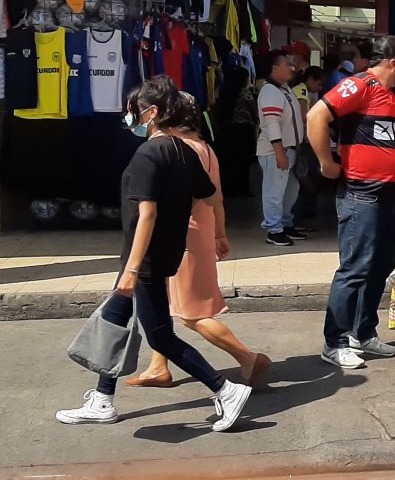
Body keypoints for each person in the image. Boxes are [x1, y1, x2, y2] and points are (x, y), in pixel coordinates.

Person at [55, 77, 252, 431]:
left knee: (160, 336)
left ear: (154, 112)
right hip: (159, 255)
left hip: (142, 260)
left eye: (135, 110)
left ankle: (225, 389)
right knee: (115, 322)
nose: (130, 116)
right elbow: (210, 195)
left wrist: (131, 269)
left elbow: (147, 213)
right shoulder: (183, 151)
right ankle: (103, 399)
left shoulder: (149, 153)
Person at [127, 92, 271, 388]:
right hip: (199, 232)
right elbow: (216, 198)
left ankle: (247, 358)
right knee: (165, 306)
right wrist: (219, 232)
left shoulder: (176, 150)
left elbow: (154, 205)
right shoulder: (204, 148)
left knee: (191, 314)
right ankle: (158, 367)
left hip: (183, 237)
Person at [307, 36, 395, 369]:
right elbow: (316, 117)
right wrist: (326, 163)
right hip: (362, 194)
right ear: (394, 62)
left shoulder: (391, 99)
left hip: (390, 197)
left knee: (380, 267)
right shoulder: (361, 85)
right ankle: (334, 341)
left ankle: (362, 333)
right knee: (354, 269)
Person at [257, 50, 307, 246]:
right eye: (287, 64)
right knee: (274, 191)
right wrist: (279, 152)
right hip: (276, 151)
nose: (291, 68)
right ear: (275, 68)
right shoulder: (270, 91)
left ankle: (285, 223)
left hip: (288, 150)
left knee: (290, 188)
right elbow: (272, 124)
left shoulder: (283, 89)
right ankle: (274, 229)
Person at [292, 65, 329, 230]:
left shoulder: (303, 91)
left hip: (301, 141)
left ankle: (301, 217)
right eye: (318, 84)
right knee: (303, 179)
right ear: (311, 80)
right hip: (301, 142)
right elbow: (303, 116)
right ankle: (299, 218)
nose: (319, 88)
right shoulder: (300, 90)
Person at [214, 65, 257, 197]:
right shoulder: (245, 92)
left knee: (228, 161)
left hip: (226, 131)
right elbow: (254, 111)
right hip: (243, 131)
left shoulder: (223, 91)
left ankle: (228, 189)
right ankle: (242, 189)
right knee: (242, 162)